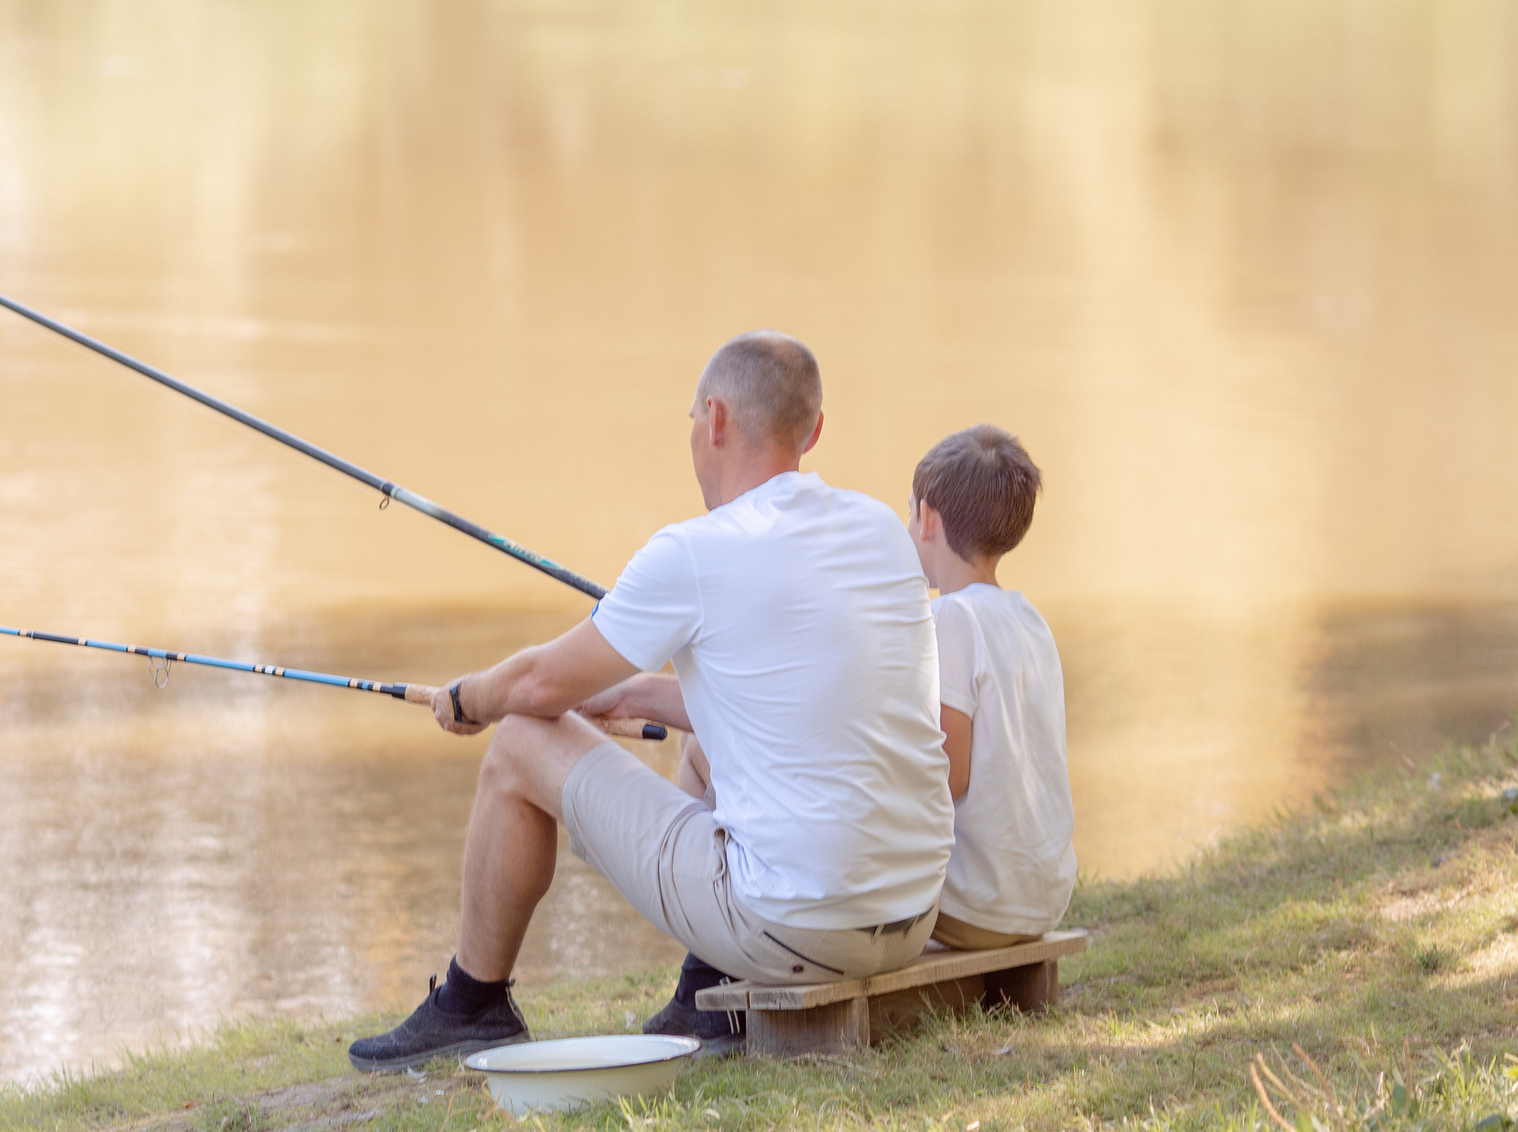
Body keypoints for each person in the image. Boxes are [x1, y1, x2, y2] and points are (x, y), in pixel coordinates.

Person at [348, 331, 954, 1071]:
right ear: (814, 431)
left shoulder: (693, 551)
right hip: (911, 914)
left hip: (798, 931)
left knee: (520, 740)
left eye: (693, 418)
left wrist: (468, 697)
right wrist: (635, 691)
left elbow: (539, 685)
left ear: (716, 419)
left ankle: (471, 1004)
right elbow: (794, 704)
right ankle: (703, 990)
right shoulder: (879, 528)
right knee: (706, 743)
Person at [900, 426, 1077, 949]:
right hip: (1042, 896)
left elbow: (948, 774)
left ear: (928, 518)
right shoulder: (1029, 619)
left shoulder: (951, 618)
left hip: (978, 902)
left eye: (909, 513)